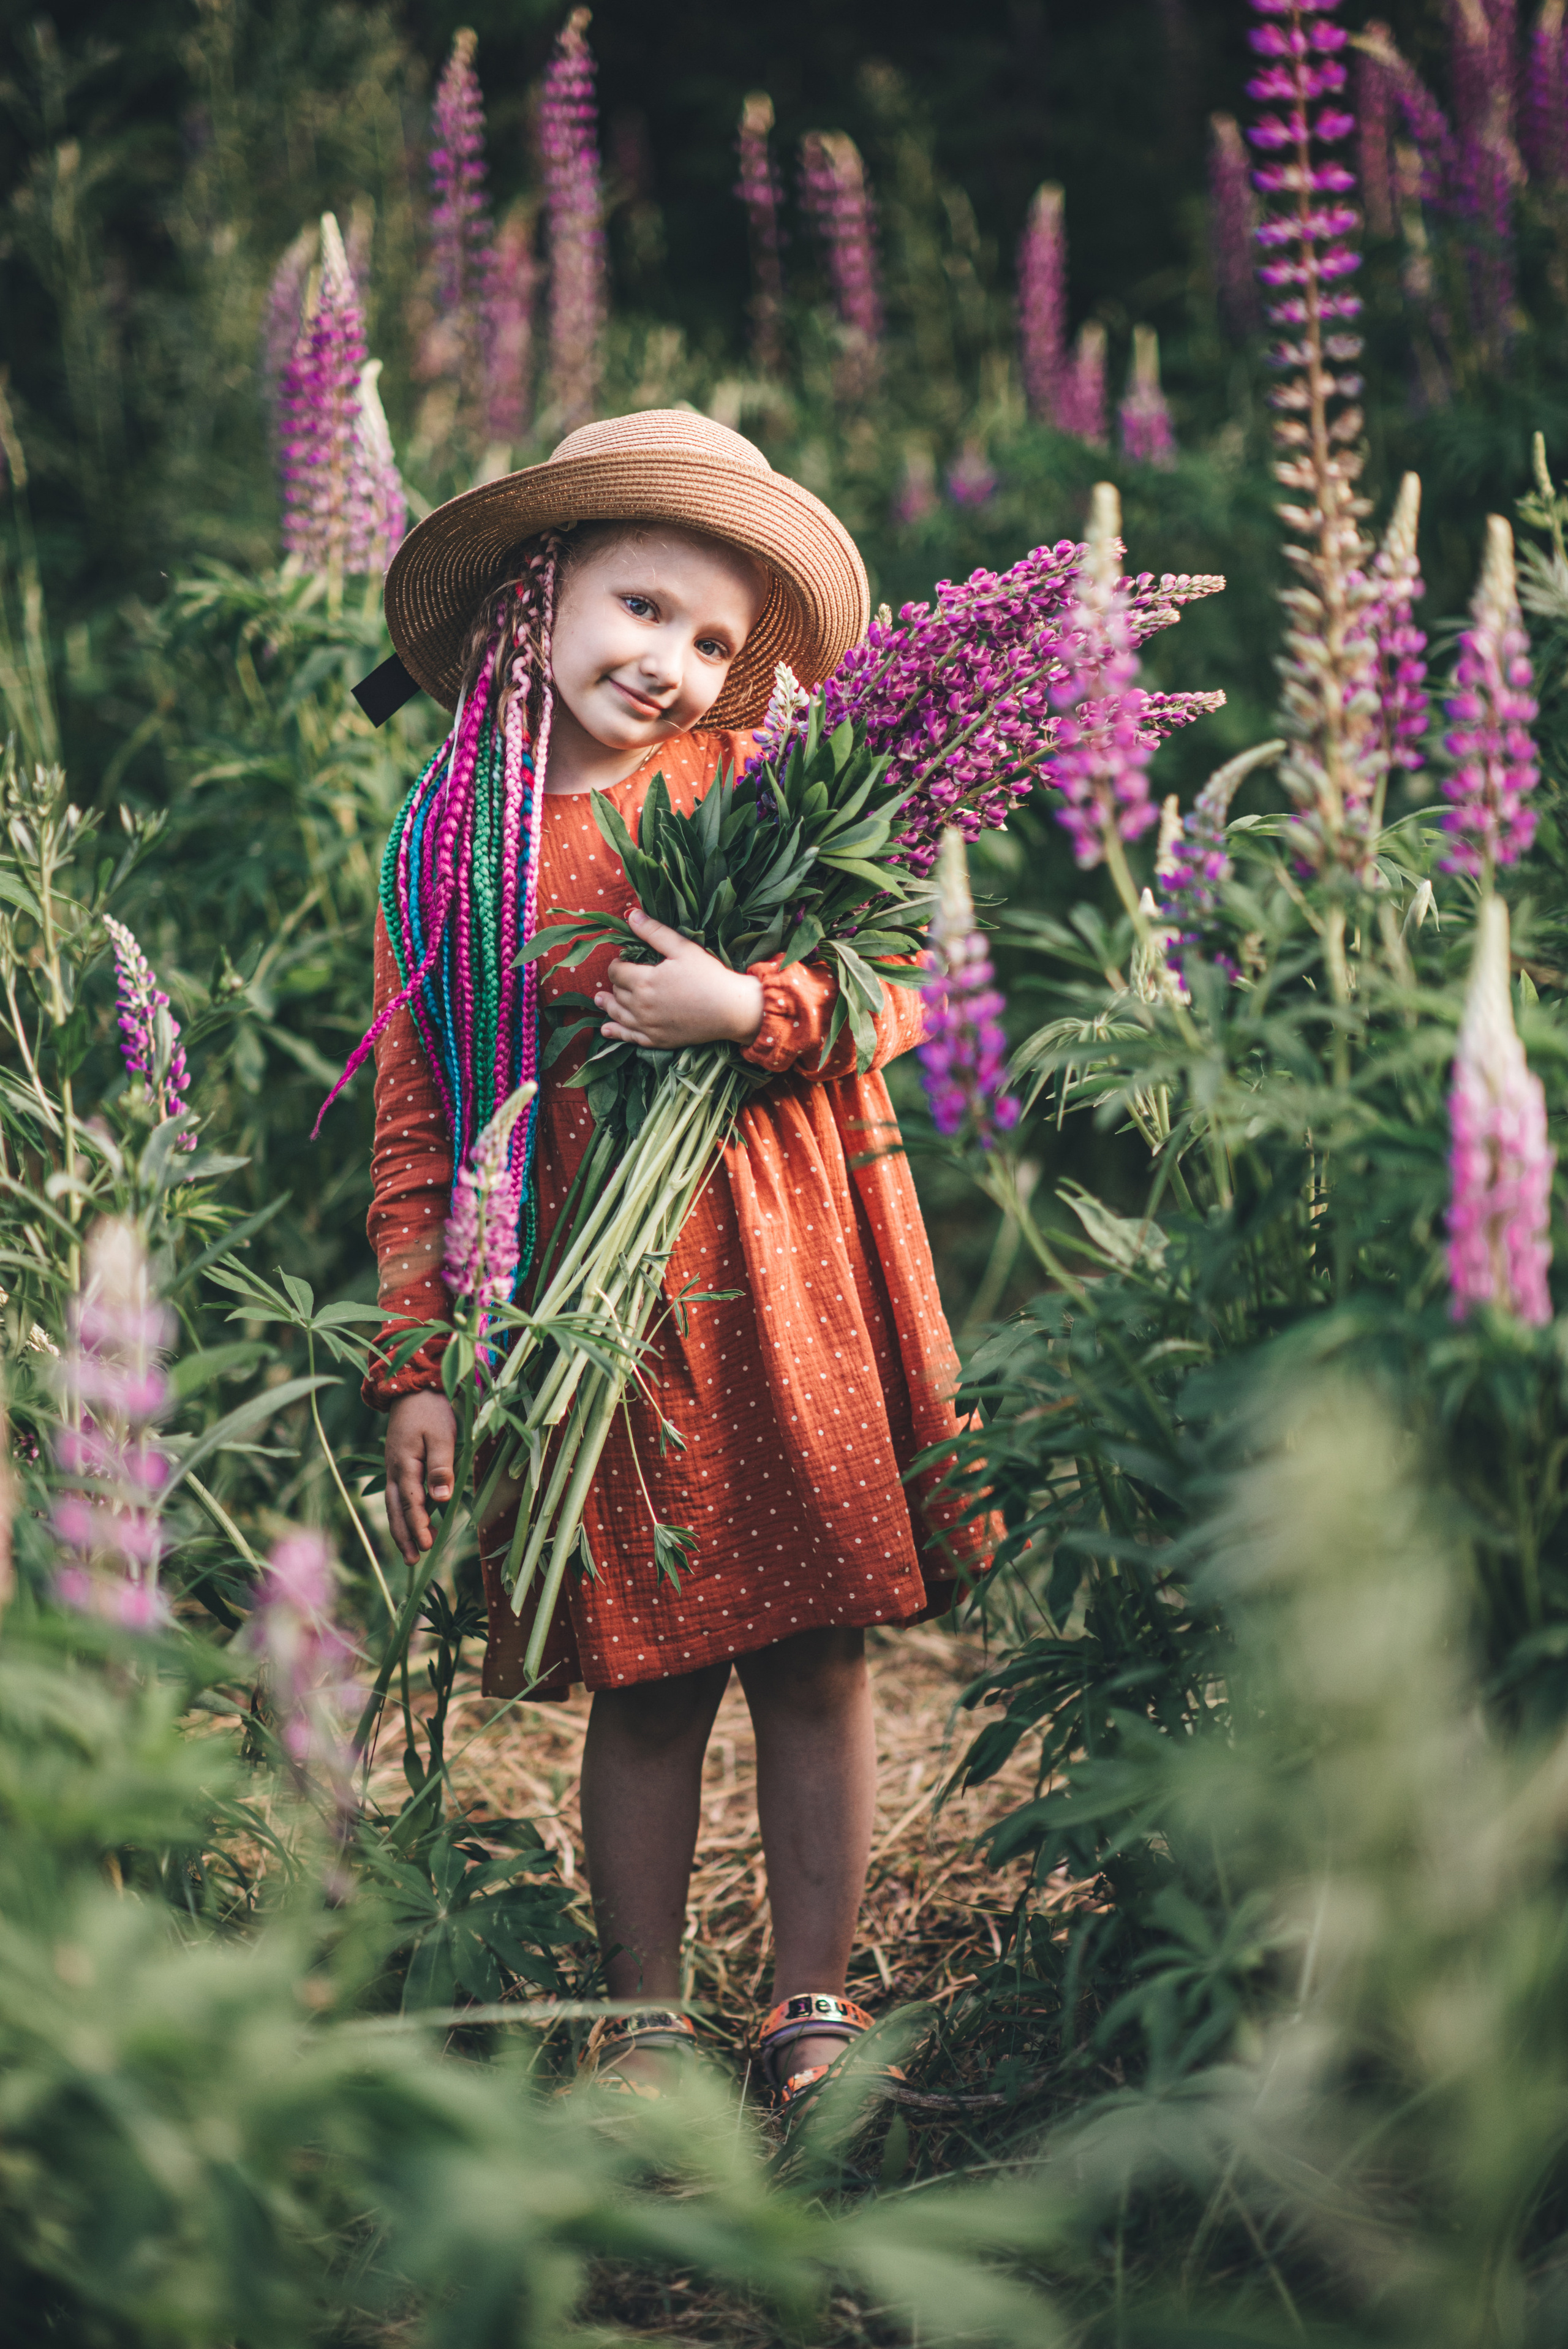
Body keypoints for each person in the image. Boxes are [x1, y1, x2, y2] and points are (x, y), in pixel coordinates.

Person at [355, 410, 989, 2098]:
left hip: (788, 1276)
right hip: (593, 1309)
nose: (677, 663)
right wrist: (418, 1360)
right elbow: (417, 1126)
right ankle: (636, 2012)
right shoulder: (445, 851)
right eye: (644, 610)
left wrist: (746, 1004)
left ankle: (813, 1998)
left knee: (818, 1648)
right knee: (645, 1668)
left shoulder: (755, 787)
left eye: (714, 641)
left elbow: (905, 997)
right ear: (538, 597)